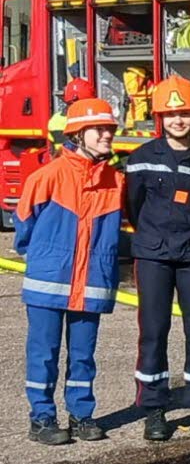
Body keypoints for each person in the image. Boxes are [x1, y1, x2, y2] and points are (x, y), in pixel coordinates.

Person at [125, 75, 190, 441]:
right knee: (153, 331)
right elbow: (133, 206)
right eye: (171, 114)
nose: (178, 120)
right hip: (153, 255)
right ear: (160, 118)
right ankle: (154, 408)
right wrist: (152, 237)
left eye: (184, 113)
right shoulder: (140, 159)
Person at [17, 98, 122, 445]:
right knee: (43, 353)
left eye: (109, 129)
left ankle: (81, 416)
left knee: (83, 356)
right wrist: (47, 260)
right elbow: (23, 228)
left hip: (91, 283)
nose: (107, 134)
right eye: (99, 129)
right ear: (77, 134)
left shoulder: (116, 182)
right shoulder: (47, 177)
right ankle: (42, 418)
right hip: (49, 282)